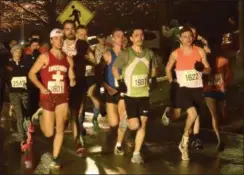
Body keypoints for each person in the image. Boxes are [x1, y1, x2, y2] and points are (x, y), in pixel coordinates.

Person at [28, 28, 75, 168]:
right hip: (47, 96)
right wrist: (41, 87)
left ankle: (55, 158)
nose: (59, 41)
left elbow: (71, 75)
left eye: (61, 39)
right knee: (48, 133)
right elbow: (31, 74)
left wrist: (72, 80)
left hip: (62, 97)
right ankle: (41, 113)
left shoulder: (68, 58)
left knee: (60, 129)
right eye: (56, 38)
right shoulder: (44, 57)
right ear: (51, 40)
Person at [112, 27, 158, 163]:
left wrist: (154, 78)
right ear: (131, 38)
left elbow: (154, 68)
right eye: (136, 35)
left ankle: (136, 154)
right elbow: (115, 68)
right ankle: (121, 135)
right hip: (130, 95)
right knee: (134, 125)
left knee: (143, 123)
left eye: (142, 35)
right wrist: (120, 82)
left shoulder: (149, 53)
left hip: (144, 94)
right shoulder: (126, 53)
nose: (140, 37)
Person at [165, 27, 210, 161]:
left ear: (193, 37)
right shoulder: (175, 53)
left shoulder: (200, 51)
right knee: (193, 114)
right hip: (183, 89)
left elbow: (208, 69)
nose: (188, 39)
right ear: (180, 38)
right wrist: (171, 81)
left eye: (190, 36)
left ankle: (184, 139)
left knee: (191, 118)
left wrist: (203, 69)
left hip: (197, 89)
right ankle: (185, 141)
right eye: (184, 36)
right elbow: (168, 68)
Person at [102, 28, 127, 156]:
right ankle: (111, 137)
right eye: (117, 36)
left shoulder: (128, 54)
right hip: (110, 91)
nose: (120, 38)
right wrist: (106, 87)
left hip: (123, 91)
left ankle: (119, 144)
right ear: (112, 38)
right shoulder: (108, 54)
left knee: (123, 117)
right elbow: (99, 74)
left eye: (122, 36)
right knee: (114, 123)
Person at [203, 43, 231, 151]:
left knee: (220, 116)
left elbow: (228, 75)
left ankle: (220, 135)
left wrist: (225, 85)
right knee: (215, 115)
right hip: (212, 91)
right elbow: (228, 75)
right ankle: (219, 139)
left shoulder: (222, 61)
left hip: (218, 91)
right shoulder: (204, 63)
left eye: (206, 48)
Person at [75, 25, 102, 135]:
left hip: (90, 75)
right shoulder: (73, 46)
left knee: (92, 94)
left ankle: (95, 118)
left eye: (85, 34)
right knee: (81, 105)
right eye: (81, 34)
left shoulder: (88, 45)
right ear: (76, 34)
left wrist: (90, 57)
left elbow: (94, 61)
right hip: (80, 77)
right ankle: (80, 126)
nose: (83, 36)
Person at [5, 45, 29, 149]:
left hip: (24, 93)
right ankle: (22, 139)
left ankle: (28, 133)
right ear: (12, 53)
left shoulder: (25, 64)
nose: (18, 53)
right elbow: (6, 78)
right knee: (20, 115)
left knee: (27, 114)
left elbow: (28, 76)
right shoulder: (8, 65)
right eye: (16, 51)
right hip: (14, 93)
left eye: (19, 51)